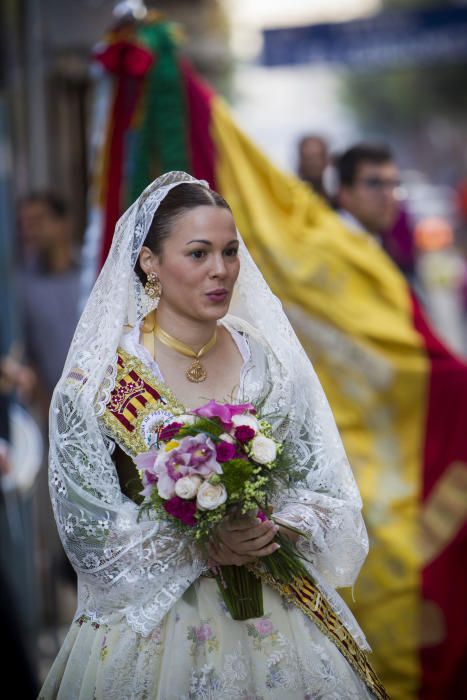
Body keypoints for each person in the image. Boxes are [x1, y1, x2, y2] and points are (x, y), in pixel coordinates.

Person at [39, 172, 387, 699]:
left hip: (280, 614)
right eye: (198, 254)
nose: (219, 271)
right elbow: (90, 538)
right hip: (156, 630)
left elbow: (330, 492)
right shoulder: (98, 384)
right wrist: (202, 545)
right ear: (149, 262)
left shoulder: (267, 364)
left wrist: (273, 527)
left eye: (229, 252)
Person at [297, 134, 329, 199]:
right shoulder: (294, 197)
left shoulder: (339, 197)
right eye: (308, 158)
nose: (313, 164)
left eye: (317, 157)